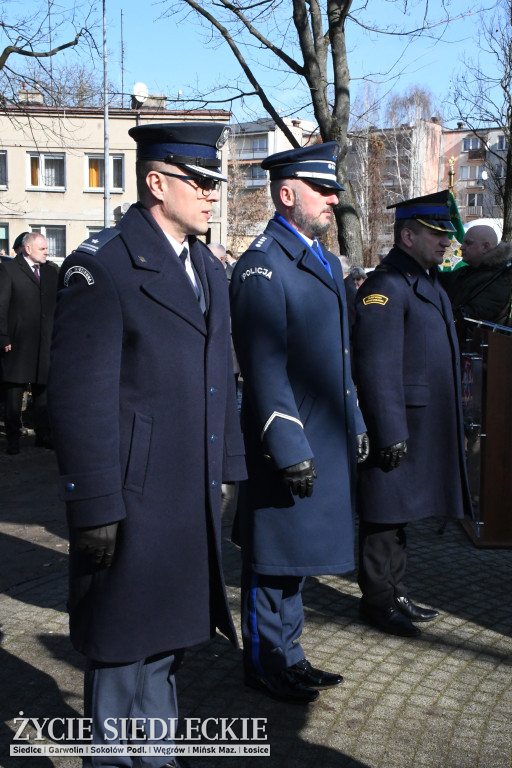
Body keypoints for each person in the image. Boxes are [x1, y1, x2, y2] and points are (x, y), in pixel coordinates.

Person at [47, 122, 246, 768]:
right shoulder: (102, 266)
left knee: (168, 645)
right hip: (132, 498)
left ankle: (157, 757)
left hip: (187, 492)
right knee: (121, 653)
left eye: (216, 183)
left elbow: (223, 379)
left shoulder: (207, 271)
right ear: (157, 184)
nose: (214, 195)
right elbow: (79, 398)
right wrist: (96, 505)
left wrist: (230, 471)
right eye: (201, 182)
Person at [230, 142, 368, 705]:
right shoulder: (262, 264)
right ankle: (264, 662)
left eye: (333, 190)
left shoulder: (324, 260)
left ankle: (292, 654)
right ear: (287, 195)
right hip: (286, 439)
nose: (334, 200)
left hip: (323, 432)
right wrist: (288, 445)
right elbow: (263, 368)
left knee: (299, 560)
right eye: (323, 190)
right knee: (274, 558)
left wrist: (354, 417)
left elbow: (338, 356)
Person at [354, 190, 471, 638]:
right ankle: (377, 600)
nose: (446, 243)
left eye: (447, 236)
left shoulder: (425, 280)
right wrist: (387, 429)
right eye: (436, 235)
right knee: (382, 514)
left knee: (399, 515)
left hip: (421, 420)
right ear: (407, 236)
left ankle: (395, 590)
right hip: (399, 421)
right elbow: (376, 367)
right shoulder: (386, 287)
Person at [0, 232, 58, 454]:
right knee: (14, 392)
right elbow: (1, 305)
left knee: (42, 392)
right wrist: (2, 336)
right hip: (18, 343)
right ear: (27, 249)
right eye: (42, 248)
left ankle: (43, 435)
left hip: (44, 342)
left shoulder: (51, 272)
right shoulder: (8, 270)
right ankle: (13, 438)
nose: (47, 252)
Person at [439, 224, 512, 338]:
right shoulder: (472, 270)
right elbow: (439, 279)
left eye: (468, 243)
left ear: (485, 247)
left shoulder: (500, 280)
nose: (461, 247)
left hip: (479, 349)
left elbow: (471, 316)